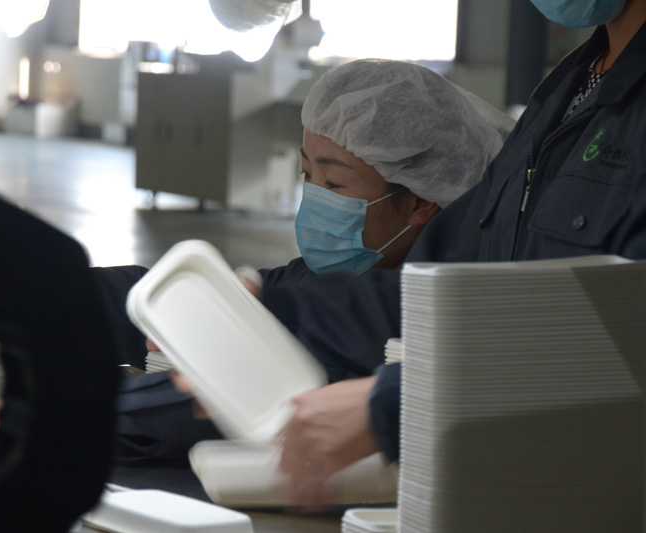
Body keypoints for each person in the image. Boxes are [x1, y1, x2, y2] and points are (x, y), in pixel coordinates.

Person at [259, 0, 646, 506]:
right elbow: (448, 289)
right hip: (522, 481)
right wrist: (272, 307)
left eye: (334, 181)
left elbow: (620, 339)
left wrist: (399, 400)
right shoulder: (570, 86)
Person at [110, 59, 515, 463]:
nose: (316, 198)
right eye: (307, 174)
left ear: (419, 202)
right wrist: (83, 295)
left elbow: (196, 409)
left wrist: (88, 409)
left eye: (334, 184)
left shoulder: (405, 328)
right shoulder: (322, 279)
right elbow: (226, 297)